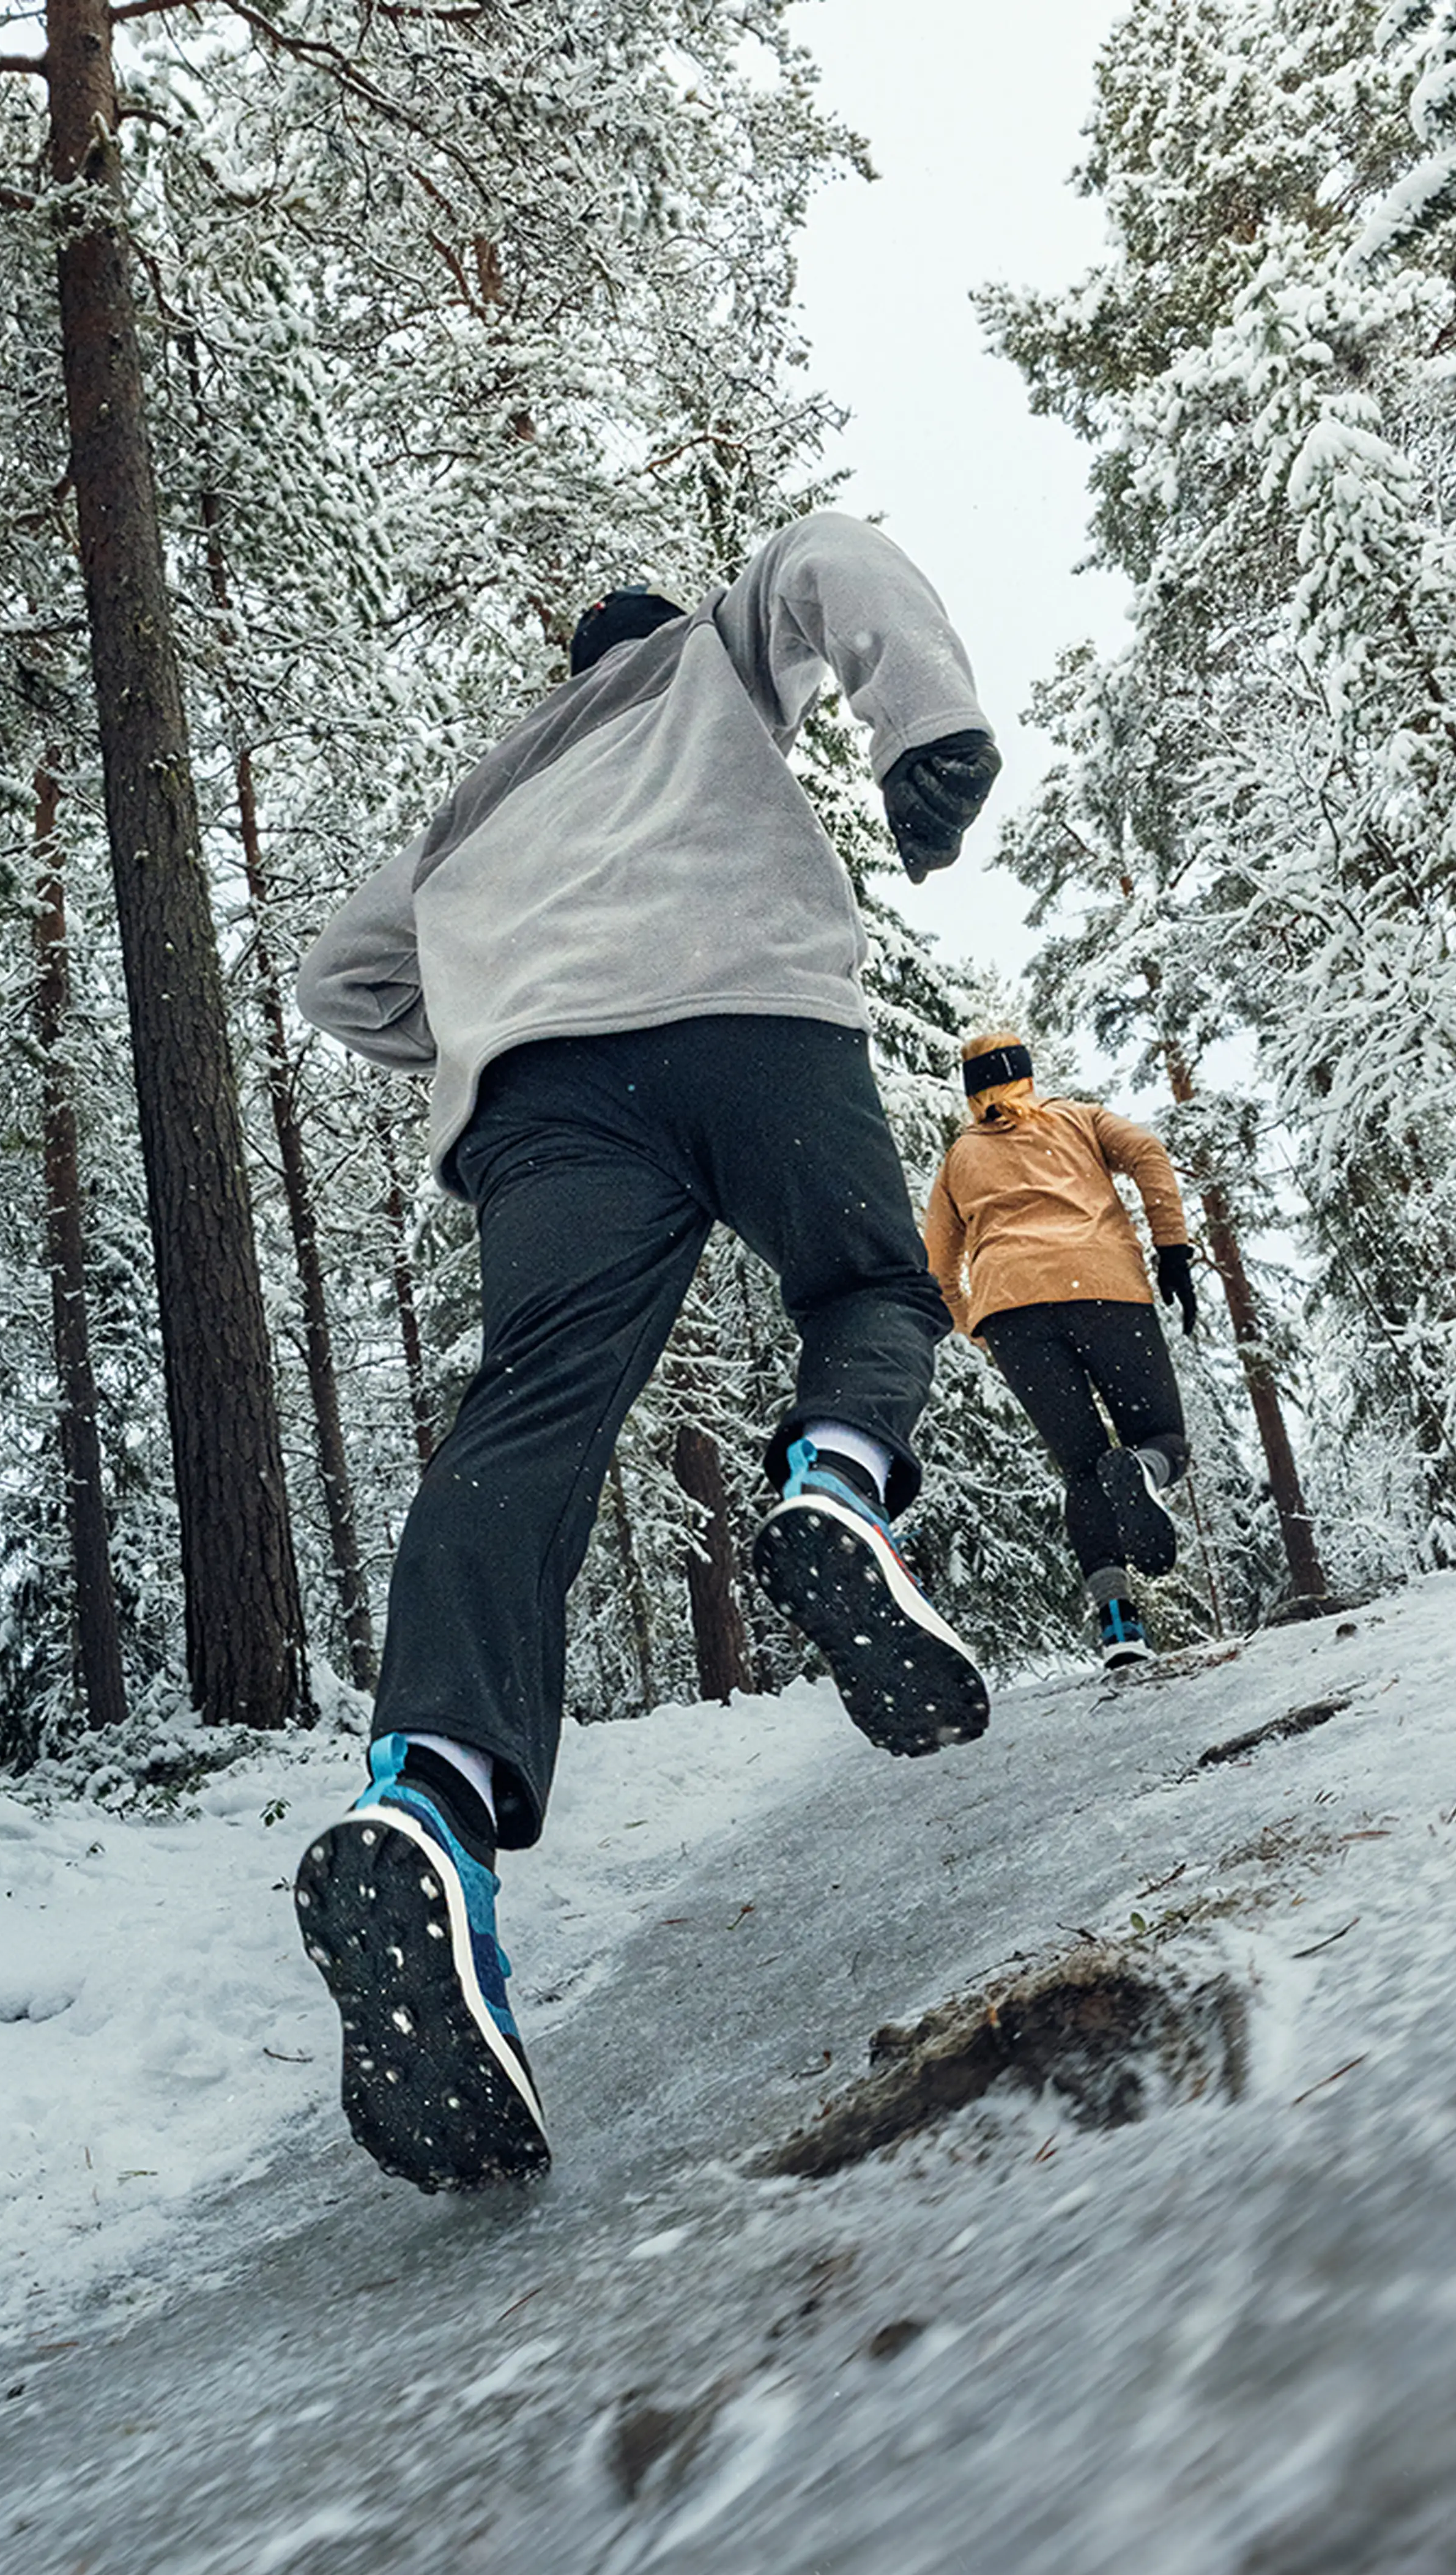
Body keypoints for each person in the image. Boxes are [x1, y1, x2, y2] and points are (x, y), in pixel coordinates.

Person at [289, 513, 1005, 2194]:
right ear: (657, 631)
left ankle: (428, 1804)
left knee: (522, 1426)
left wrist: (489, 1011)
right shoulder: (703, 657)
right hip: (743, 1007)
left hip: (543, 1099)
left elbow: (341, 977)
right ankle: (835, 1486)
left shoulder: (473, 794)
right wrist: (928, 731)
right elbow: (832, 553)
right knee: (868, 1286)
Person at [921, 1034, 1200, 1673]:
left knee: (1082, 1471)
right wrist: (1172, 1249)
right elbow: (1150, 1153)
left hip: (1013, 1308)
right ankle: (1145, 1474)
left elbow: (936, 1270)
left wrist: (981, 1327)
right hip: (1103, 1288)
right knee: (1163, 1440)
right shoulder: (1081, 1119)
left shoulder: (958, 1158)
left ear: (973, 1094)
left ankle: (1120, 1629)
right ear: (1027, 1078)